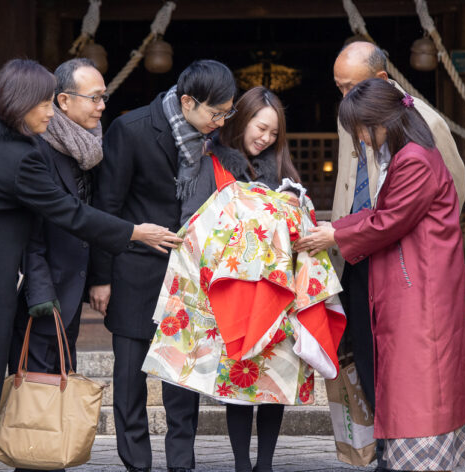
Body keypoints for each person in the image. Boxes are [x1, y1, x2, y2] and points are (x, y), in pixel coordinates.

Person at [0, 59, 181, 472]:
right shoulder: (21, 158)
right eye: (44, 103)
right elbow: (71, 214)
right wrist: (135, 233)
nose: (49, 111)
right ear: (19, 103)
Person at [294, 78, 465, 472]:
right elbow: (385, 215)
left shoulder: (412, 159)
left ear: (378, 122)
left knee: (417, 376)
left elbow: (389, 220)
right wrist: (336, 229)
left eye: (359, 128)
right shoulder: (411, 153)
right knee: (417, 374)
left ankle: (421, 460)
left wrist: (335, 233)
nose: (358, 138)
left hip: (420, 284)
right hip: (419, 278)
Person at [88, 59, 237, 472]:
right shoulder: (131, 129)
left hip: (189, 275)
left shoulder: (212, 140)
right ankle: (136, 463)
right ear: (187, 102)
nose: (221, 122)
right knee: (130, 380)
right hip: (135, 269)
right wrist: (100, 278)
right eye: (215, 113)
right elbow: (107, 207)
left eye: (227, 112)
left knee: (182, 379)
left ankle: (181, 463)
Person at [330, 41, 465, 469]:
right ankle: (386, 445)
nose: (344, 98)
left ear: (382, 83)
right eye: (339, 88)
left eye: (352, 87)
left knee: (410, 363)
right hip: (358, 253)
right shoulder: (353, 116)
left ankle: (407, 450)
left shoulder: (423, 128)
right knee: (369, 355)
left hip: (405, 258)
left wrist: (420, 247)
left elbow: (448, 193)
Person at [181, 86, 301, 472]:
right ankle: (240, 464)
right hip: (229, 286)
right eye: (260, 128)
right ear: (242, 118)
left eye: (272, 134)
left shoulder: (282, 172)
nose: (265, 138)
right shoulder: (211, 159)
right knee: (238, 378)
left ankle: (264, 464)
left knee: (273, 377)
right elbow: (198, 219)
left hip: (274, 290)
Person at [6, 58, 109, 472]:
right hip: (42, 290)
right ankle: (30, 461)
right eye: (95, 97)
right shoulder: (39, 149)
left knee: (57, 388)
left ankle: (50, 462)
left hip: (71, 283)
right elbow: (31, 232)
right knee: (36, 388)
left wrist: (99, 277)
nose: (102, 105)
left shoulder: (89, 147)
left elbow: (95, 213)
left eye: (105, 96)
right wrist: (40, 293)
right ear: (63, 101)